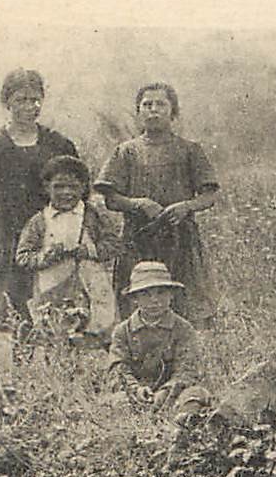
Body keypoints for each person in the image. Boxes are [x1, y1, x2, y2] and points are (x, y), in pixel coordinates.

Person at [0, 68, 79, 331]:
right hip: (8, 240)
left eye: (35, 99)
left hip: (52, 235)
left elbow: (79, 188)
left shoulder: (58, 144)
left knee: (56, 307)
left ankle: (56, 366)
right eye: (21, 100)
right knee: (15, 313)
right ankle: (20, 369)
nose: (29, 106)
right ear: (7, 102)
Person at [94, 82, 220, 324]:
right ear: (138, 112)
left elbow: (210, 195)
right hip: (137, 238)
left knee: (186, 301)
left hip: (180, 239)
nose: (153, 110)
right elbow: (110, 198)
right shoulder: (126, 151)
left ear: (173, 111)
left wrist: (186, 207)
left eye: (160, 104)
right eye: (147, 105)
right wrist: (137, 203)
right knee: (136, 301)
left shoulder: (189, 150)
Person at [14, 155, 119, 342]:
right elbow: (22, 256)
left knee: (95, 329)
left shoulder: (93, 216)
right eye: (59, 187)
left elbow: (113, 244)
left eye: (73, 187)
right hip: (51, 285)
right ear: (47, 187)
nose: (66, 193)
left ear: (84, 188)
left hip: (90, 285)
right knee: (54, 330)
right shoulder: (39, 221)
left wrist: (89, 251)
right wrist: (45, 257)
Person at [106, 261, 208, 412]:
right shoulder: (123, 331)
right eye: (145, 294)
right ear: (134, 298)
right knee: (117, 402)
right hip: (135, 397)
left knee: (195, 396)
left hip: (173, 395)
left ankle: (180, 426)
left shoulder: (183, 329)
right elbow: (118, 370)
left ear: (171, 295)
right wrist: (136, 390)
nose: (154, 300)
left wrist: (166, 391)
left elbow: (188, 370)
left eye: (161, 293)